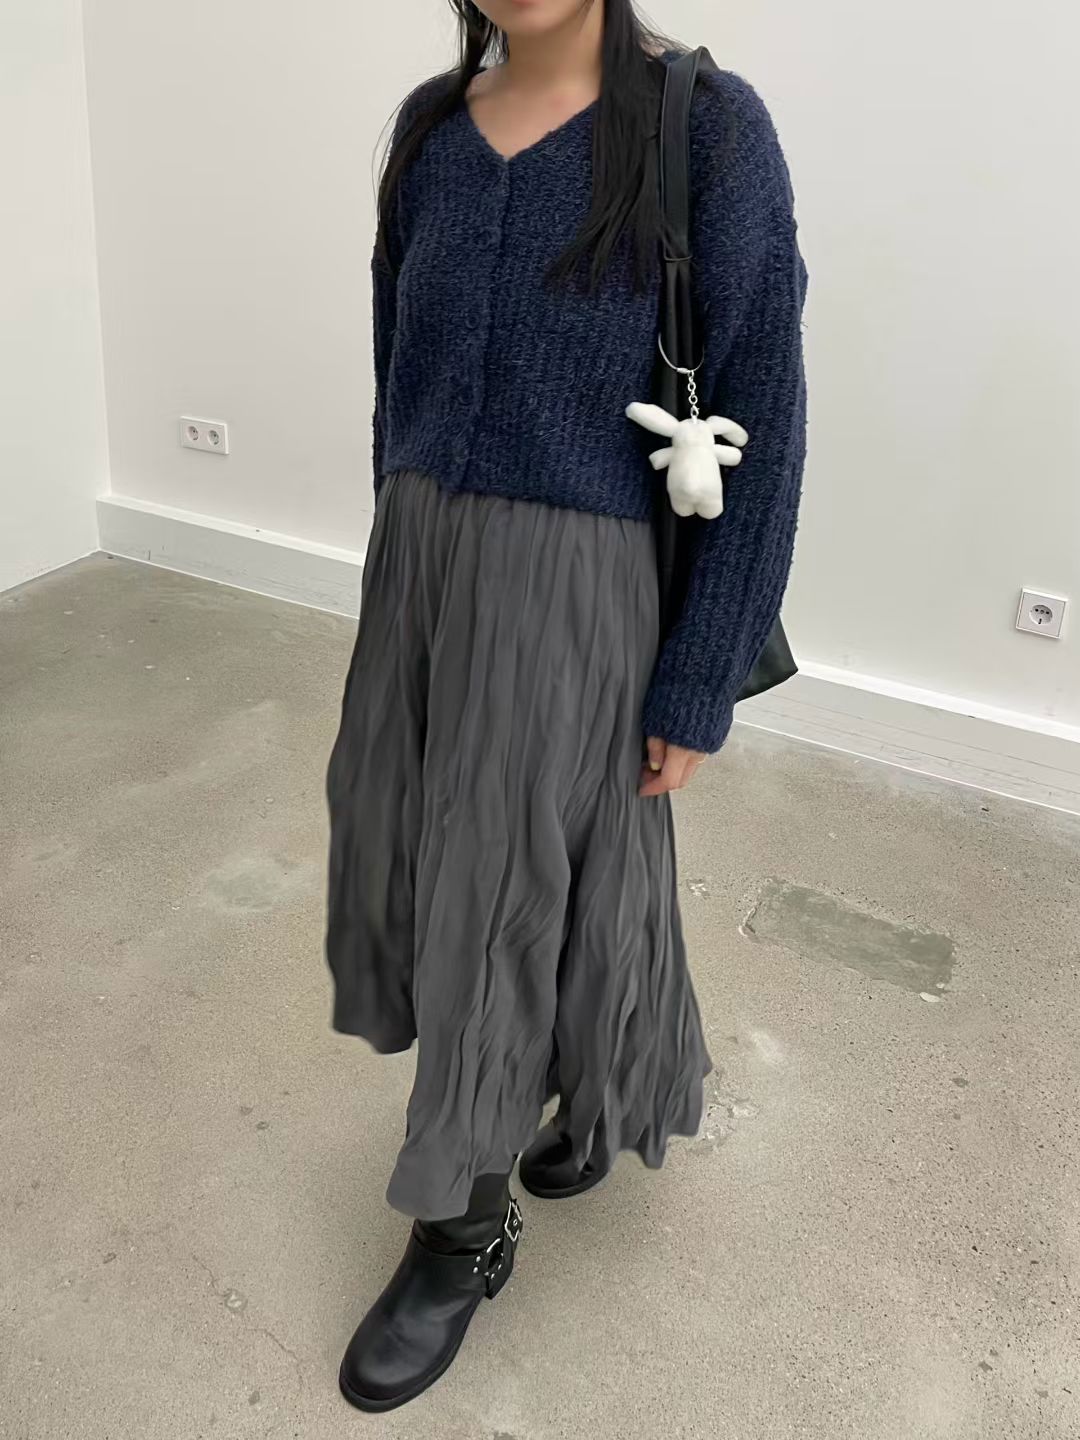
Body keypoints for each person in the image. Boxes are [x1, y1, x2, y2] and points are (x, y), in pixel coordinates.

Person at [325, 0, 807, 1413]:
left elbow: (768, 414)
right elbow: (396, 370)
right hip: (423, 563)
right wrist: (405, 544)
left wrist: (701, 674)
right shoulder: (432, 132)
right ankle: (598, 1085)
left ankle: (457, 1232)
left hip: (578, 577)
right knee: (470, 860)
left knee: (491, 892)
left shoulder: (708, 130)